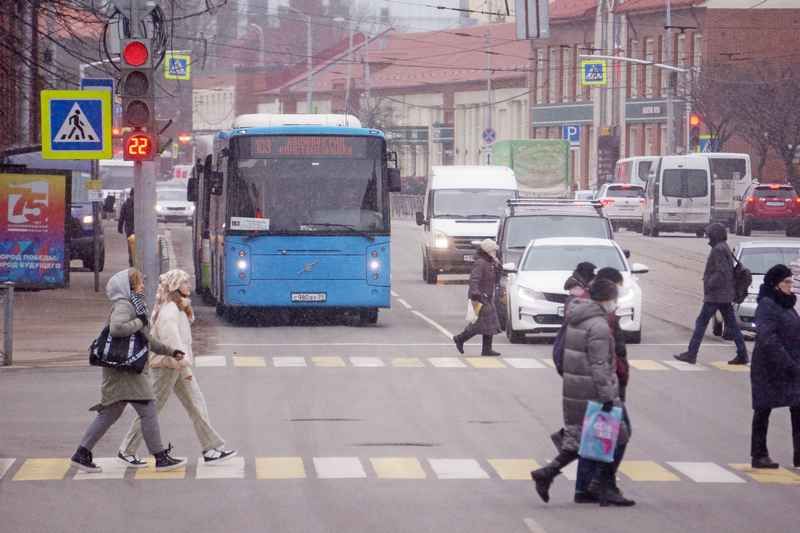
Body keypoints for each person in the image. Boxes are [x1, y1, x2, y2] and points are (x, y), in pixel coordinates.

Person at [71, 268, 187, 473]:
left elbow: (146, 339)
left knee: (110, 413)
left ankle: (82, 453)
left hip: (122, 370)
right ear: (129, 287)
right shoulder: (125, 305)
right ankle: (160, 457)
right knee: (149, 409)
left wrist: (170, 351)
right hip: (125, 370)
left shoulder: (135, 305)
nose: (142, 286)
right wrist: (138, 322)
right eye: (138, 283)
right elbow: (117, 328)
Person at [117, 269, 237, 467]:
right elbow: (171, 339)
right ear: (176, 287)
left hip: (176, 365)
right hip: (168, 366)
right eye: (185, 283)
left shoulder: (176, 307)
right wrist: (183, 362)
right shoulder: (170, 310)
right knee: (152, 409)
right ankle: (127, 449)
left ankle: (210, 448)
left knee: (196, 404)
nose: (189, 286)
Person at [531, 279, 634, 507]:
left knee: (582, 440)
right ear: (606, 299)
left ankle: (547, 474)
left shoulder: (579, 318)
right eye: (614, 299)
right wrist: (608, 396)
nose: (615, 303)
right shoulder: (597, 325)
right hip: (594, 390)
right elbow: (599, 364)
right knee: (617, 436)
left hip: (576, 388)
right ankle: (602, 487)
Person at [748, 264, 800, 469]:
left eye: (792, 282)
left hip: (790, 365)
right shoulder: (767, 305)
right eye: (787, 282)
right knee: (763, 409)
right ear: (775, 284)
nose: (791, 286)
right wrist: (788, 363)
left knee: (798, 407)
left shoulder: (786, 304)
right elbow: (768, 338)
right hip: (769, 367)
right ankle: (759, 454)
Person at [675, 222, 748, 365]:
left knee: (701, 323)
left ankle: (691, 353)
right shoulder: (723, 247)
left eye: (709, 234)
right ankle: (743, 354)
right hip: (724, 294)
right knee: (732, 325)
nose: (708, 237)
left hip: (716, 295)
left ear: (715, 235)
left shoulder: (718, 250)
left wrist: (709, 284)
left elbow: (722, 272)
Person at [453, 239, 503, 357]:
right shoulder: (481, 263)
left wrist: (498, 265)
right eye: (494, 251)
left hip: (487, 297)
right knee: (479, 324)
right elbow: (474, 279)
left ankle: (486, 349)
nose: (495, 253)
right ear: (488, 251)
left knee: (489, 323)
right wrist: (476, 293)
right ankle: (460, 339)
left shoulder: (490, 262)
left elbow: (497, 278)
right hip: (479, 297)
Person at [118, 189, 135, 267]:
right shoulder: (126, 204)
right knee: (131, 246)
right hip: (130, 228)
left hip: (130, 228)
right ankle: (132, 262)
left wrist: (120, 227)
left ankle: (133, 262)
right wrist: (120, 227)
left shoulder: (126, 204)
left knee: (132, 246)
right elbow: (122, 217)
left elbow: (122, 217)